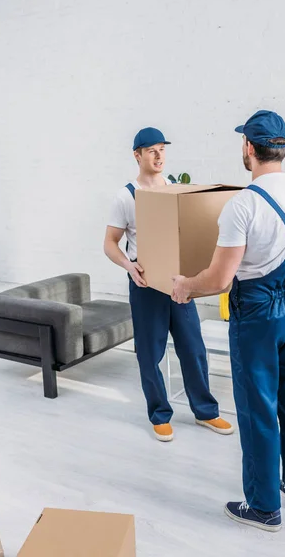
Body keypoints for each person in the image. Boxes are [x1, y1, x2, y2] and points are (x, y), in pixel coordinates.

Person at [172, 110, 285, 531]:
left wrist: (186, 285)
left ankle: (263, 507)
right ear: (284, 148)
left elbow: (221, 280)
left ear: (248, 148)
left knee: (258, 407)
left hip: (258, 315)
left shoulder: (243, 204)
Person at [104, 126, 234, 442]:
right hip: (147, 285)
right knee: (150, 353)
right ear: (137, 155)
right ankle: (159, 414)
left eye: (162, 149)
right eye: (152, 150)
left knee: (193, 348)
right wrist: (128, 266)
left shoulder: (176, 188)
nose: (159, 155)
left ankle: (206, 411)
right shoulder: (126, 195)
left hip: (179, 284)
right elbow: (110, 242)